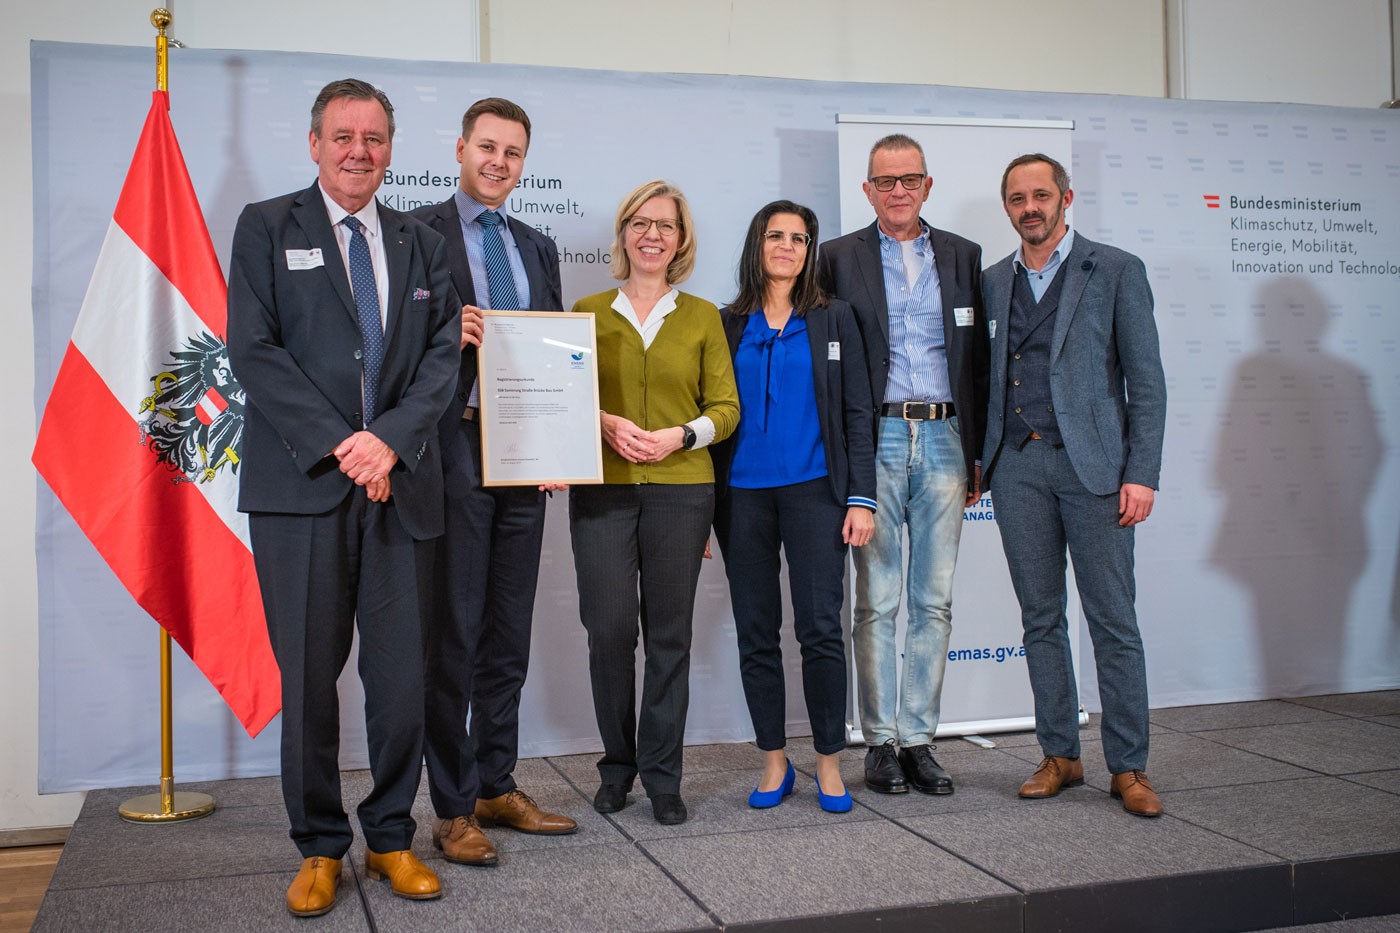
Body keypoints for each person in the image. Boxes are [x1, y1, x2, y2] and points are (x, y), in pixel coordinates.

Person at [227, 78, 460, 915]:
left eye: (374, 137)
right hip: (303, 490)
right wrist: (345, 444)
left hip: (402, 486)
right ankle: (320, 846)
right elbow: (253, 350)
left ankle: (391, 836)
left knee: (402, 680)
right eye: (343, 136)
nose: (359, 151)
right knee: (307, 680)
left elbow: (442, 354)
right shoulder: (266, 226)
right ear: (315, 144)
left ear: (391, 147)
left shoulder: (422, 240)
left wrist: (386, 439)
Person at [410, 97, 576, 869]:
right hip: (452, 450)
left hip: (525, 453)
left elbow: (556, 352)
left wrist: (560, 440)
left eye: (512, 152)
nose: (498, 162)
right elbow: (387, 342)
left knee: (508, 630)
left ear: (522, 164)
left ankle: (494, 783)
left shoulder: (537, 246)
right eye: (487, 147)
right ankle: (450, 807)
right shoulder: (416, 233)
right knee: (455, 633)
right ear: (460, 148)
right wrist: (447, 332)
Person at [981, 153, 1166, 817]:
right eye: (1017, 198)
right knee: (1040, 619)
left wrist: (1141, 472)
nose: (1029, 207)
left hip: (1097, 472)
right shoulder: (991, 281)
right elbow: (984, 380)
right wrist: (980, 463)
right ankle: (1060, 753)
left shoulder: (1115, 269)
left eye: (1040, 194)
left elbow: (1147, 382)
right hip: (1017, 468)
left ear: (1066, 197)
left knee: (1112, 621)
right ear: (1007, 206)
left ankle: (1130, 766)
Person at [818, 134, 989, 796]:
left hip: (946, 436)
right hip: (878, 437)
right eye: (885, 181)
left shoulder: (963, 255)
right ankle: (880, 741)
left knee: (933, 600)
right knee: (877, 599)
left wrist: (979, 449)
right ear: (867, 189)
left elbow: (979, 362)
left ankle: (920, 739)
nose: (897, 191)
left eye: (909, 179)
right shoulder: (838, 257)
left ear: (927, 185)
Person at [568, 180, 739, 826]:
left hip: (682, 491)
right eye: (640, 223)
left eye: (665, 225)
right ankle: (618, 766)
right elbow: (562, 398)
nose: (652, 235)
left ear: (680, 239)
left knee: (670, 636)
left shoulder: (702, 317)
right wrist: (603, 422)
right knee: (609, 632)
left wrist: (679, 435)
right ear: (623, 233)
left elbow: (725, 408)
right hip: (603, 491)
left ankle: (664, 775)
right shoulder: (586, 311)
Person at [712, 201, 875, 814]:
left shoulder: (835, 318)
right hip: (741, 498)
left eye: (799, 238)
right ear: (757, 244)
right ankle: (774, 762)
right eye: (775, 235)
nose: (787, 246)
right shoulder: (726, 323)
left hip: (816, 493)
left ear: (810, 250)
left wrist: (861, 497)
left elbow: (857, 412)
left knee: (820, 629)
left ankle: (829, 762)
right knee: (756, 632)